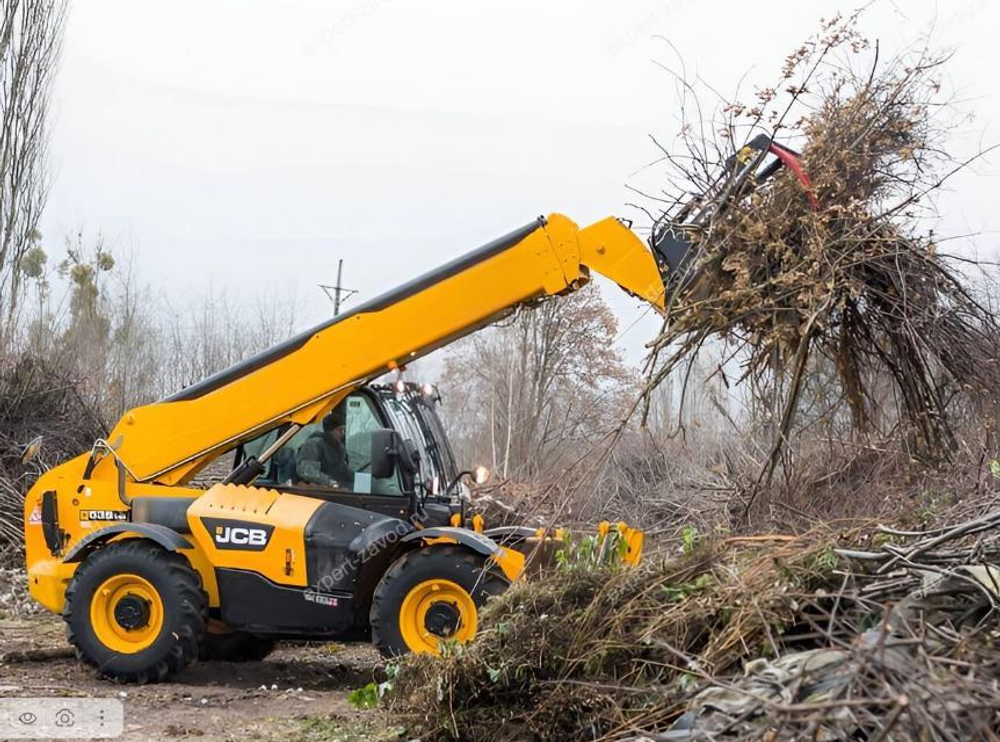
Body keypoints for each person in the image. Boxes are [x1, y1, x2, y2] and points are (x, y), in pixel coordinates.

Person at [296, 406, 352, 488]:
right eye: (340, 430)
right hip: (316, 489)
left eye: (344, 430)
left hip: (336, 486)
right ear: (330, 430)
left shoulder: (339, 447)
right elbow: (308, 472)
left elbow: (343, 471)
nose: (343, 433)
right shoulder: (314, 445)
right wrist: (331, 482)